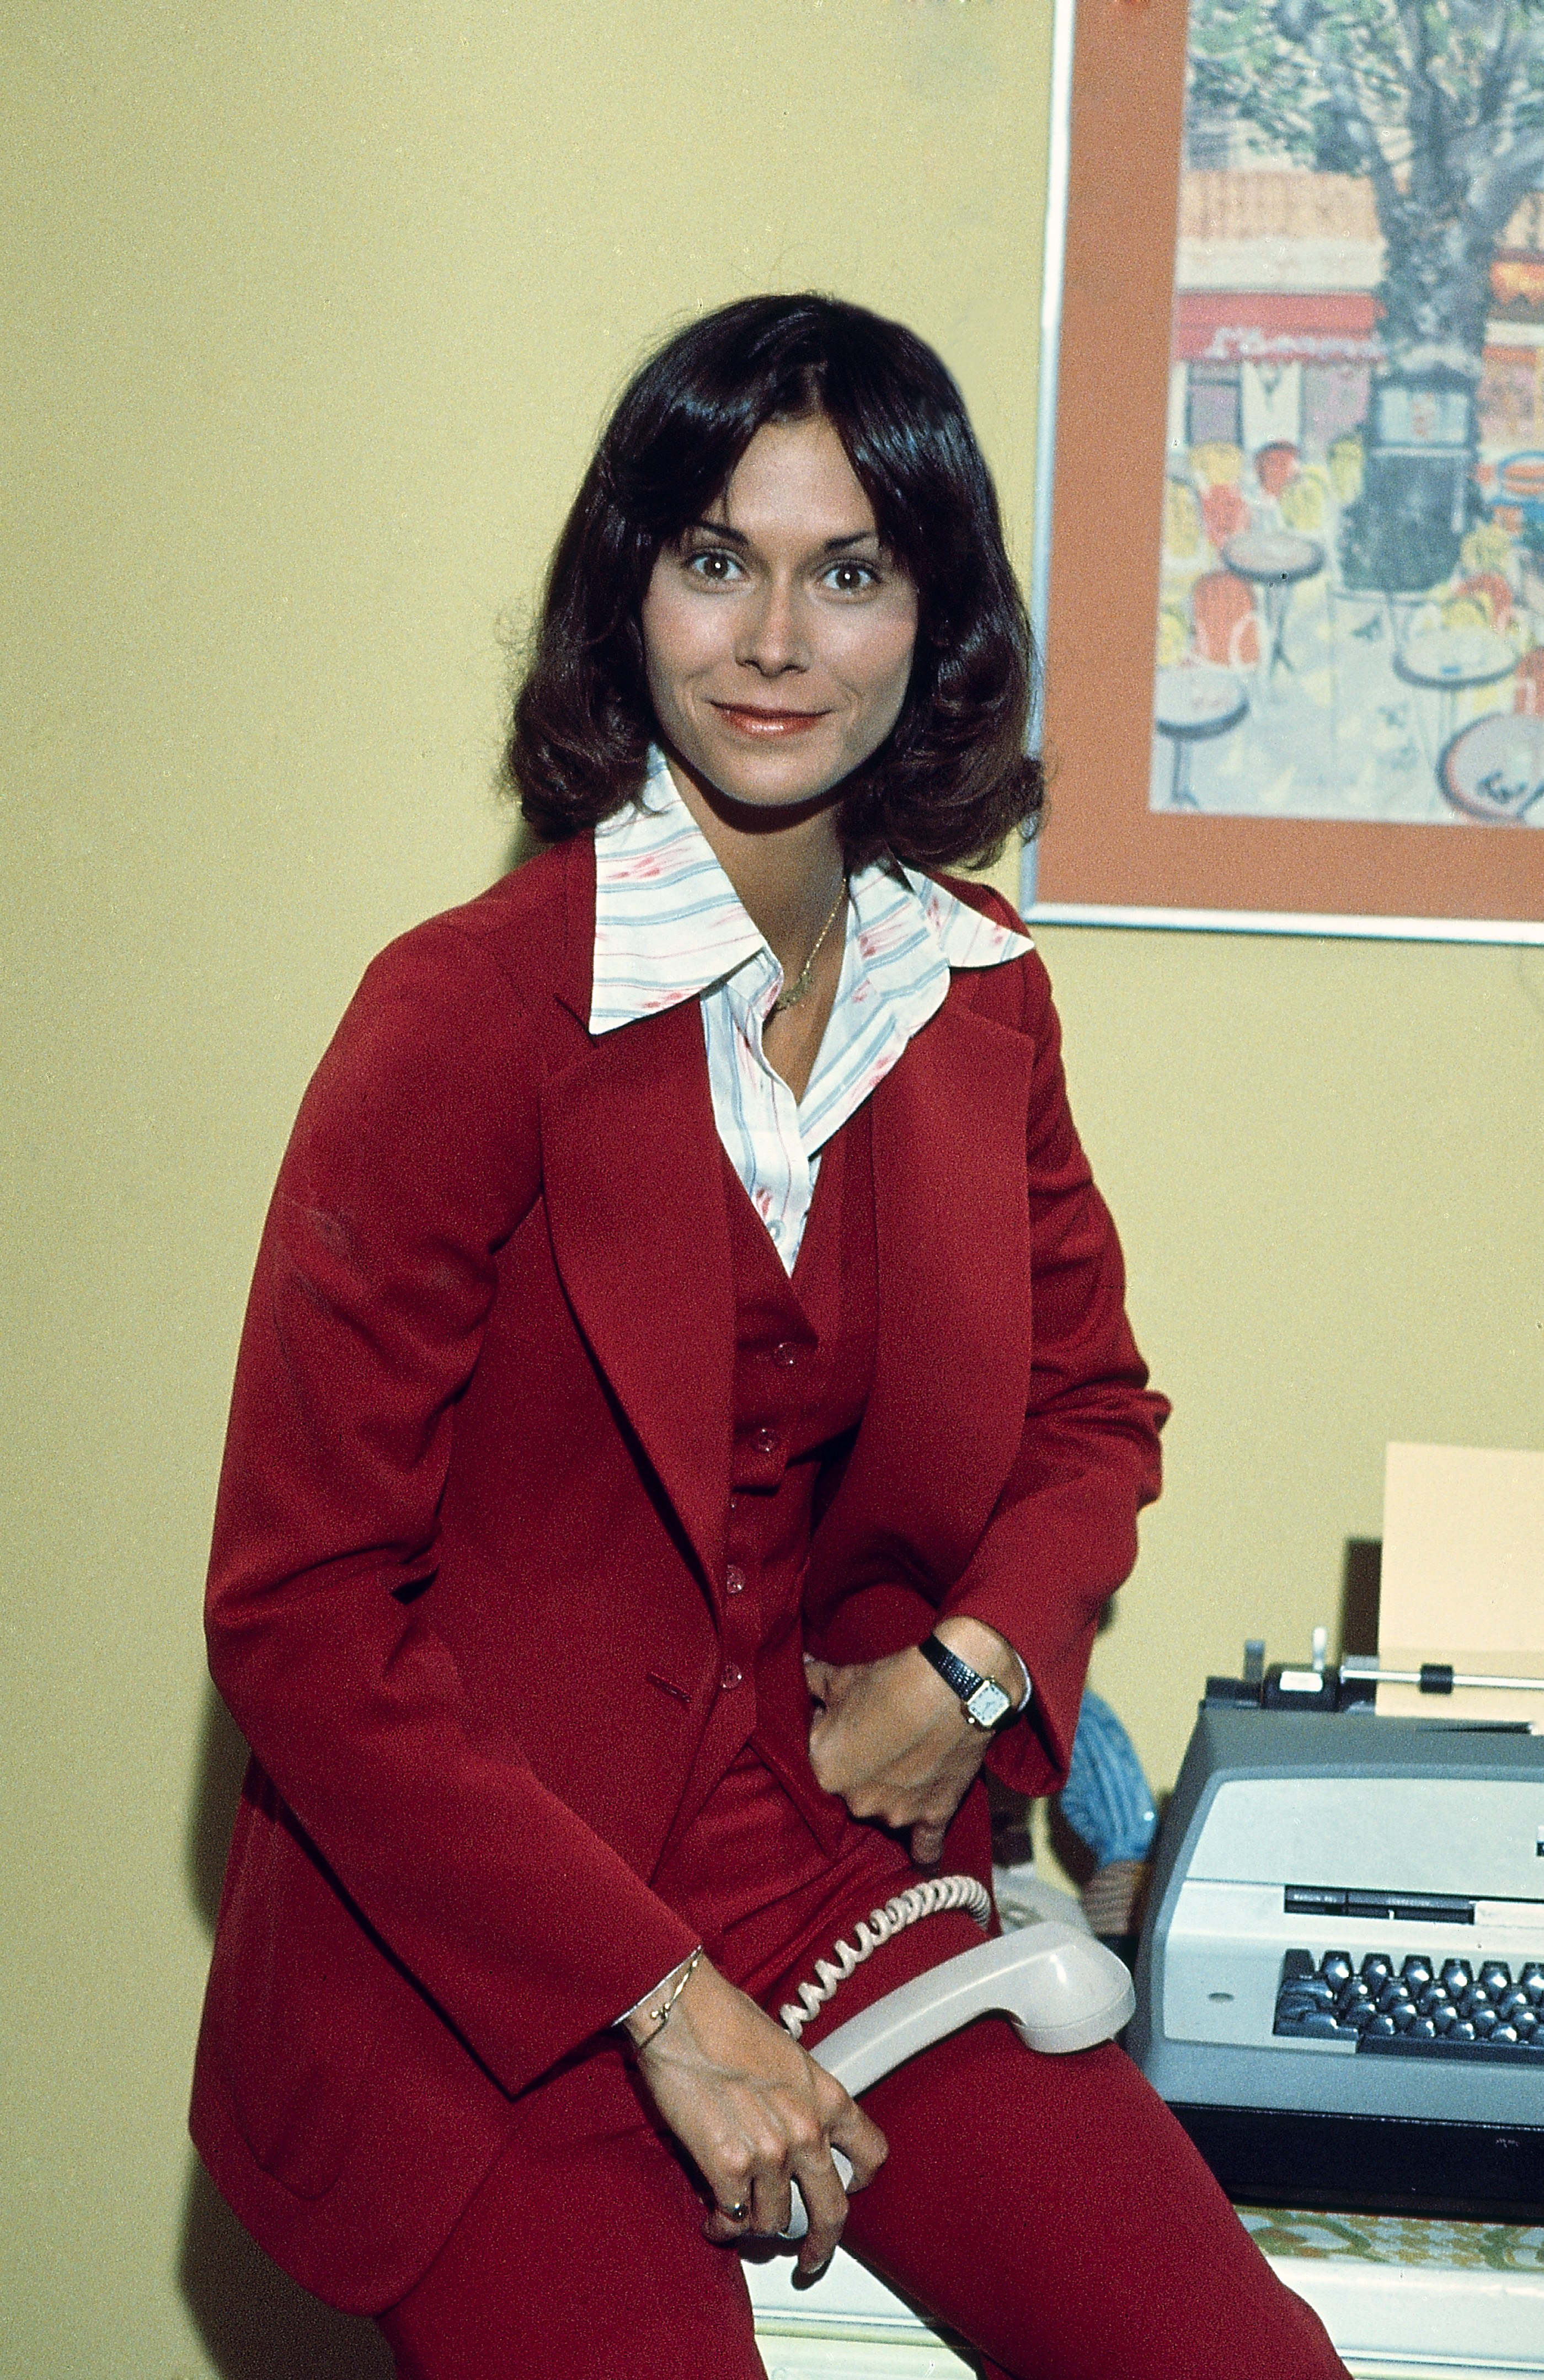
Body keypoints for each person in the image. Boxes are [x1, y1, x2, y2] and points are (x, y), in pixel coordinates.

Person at [190, 294, 1348, 2380]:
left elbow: (1094, 1411)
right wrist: (659, 2003)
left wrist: (976, 1661)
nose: (776, 641)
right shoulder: (460, 1017)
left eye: (850, 571)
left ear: (932, 617)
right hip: (497, 1927)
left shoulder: (974, 987)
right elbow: (299, 1610)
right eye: (717, 558)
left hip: (833, 1860)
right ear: (629, 587)